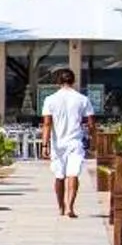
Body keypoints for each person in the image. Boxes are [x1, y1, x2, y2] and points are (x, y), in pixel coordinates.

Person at [40, 67, 95, 218]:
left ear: (58, 81)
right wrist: (92, 139)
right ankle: (70, 207)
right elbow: (91, 124)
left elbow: (47, 124)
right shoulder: (83, 99)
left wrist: (44, 145)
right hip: (75, 142)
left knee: (59, 176)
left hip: (58, 144)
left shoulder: (50, 100)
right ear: (73, 81)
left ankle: (61, 206)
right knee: (73, 174)